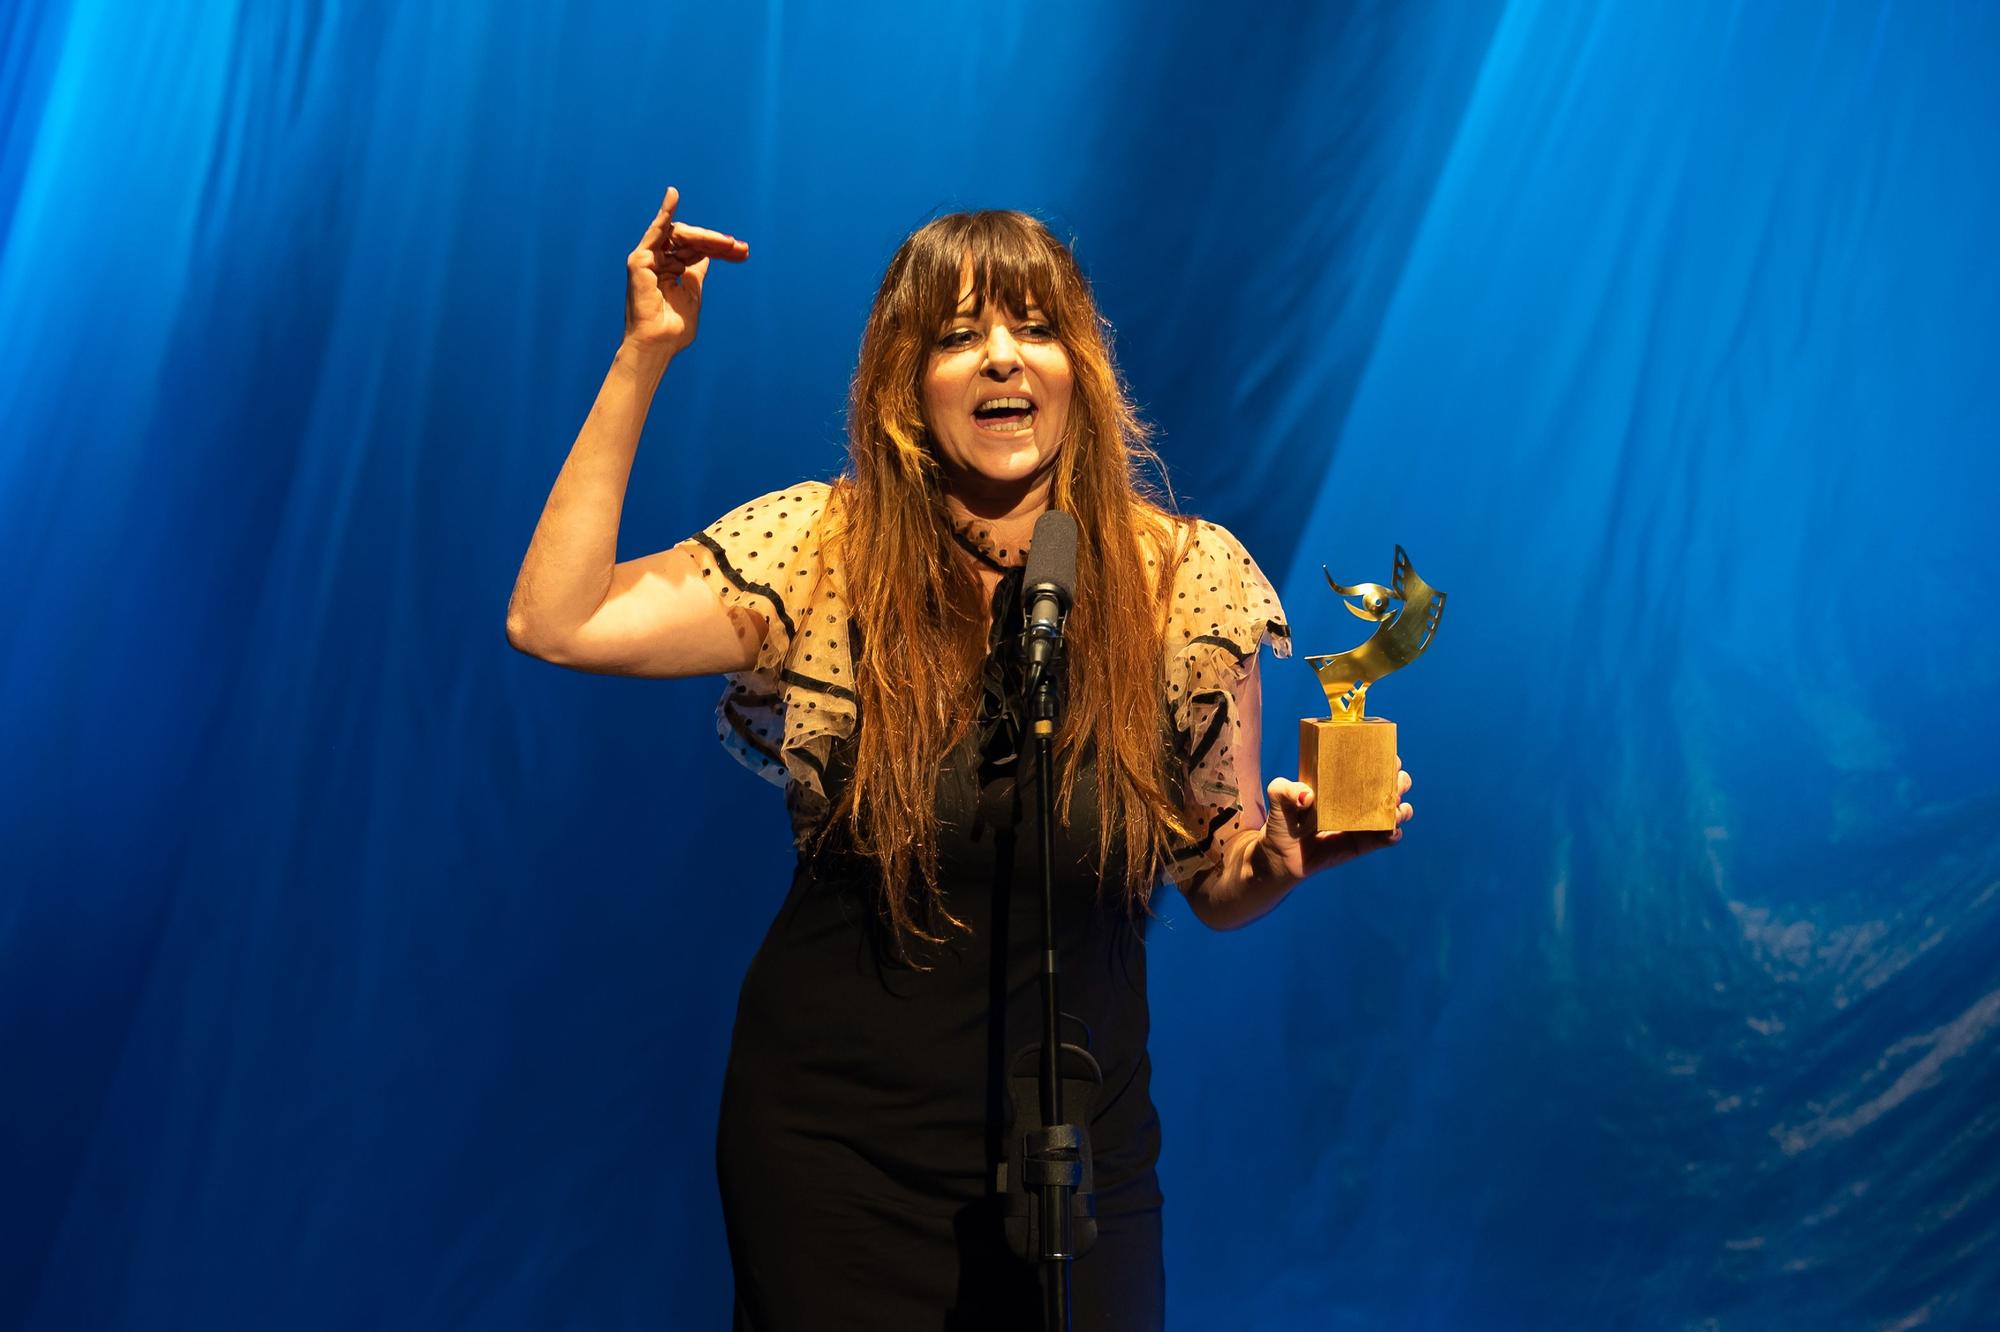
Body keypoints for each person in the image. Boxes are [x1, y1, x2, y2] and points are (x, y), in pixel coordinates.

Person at [506, 187, 1414, 1331]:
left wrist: (1279, 859)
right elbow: (556, 619)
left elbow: (1213, 874)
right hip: (838, 1151)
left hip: (1078, 1152)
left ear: (1078, 365)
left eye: (1033, 328)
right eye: (955, 336)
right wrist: (645, 353)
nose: (1000, 358)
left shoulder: (1185, 579)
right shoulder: (822, 551)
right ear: (902, 382)